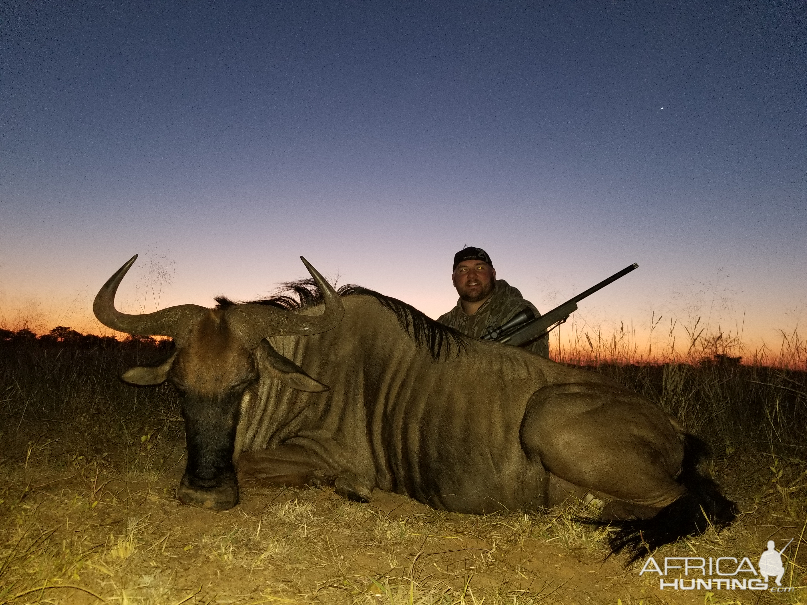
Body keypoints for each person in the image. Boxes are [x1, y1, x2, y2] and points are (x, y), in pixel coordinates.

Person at [437, 246, 549, 358]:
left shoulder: (520, 312)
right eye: (463, 270)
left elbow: (534, 371)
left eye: (480, 268)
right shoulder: (442, 325)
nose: (471, 275)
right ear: (453, 279)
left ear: (493, 274)